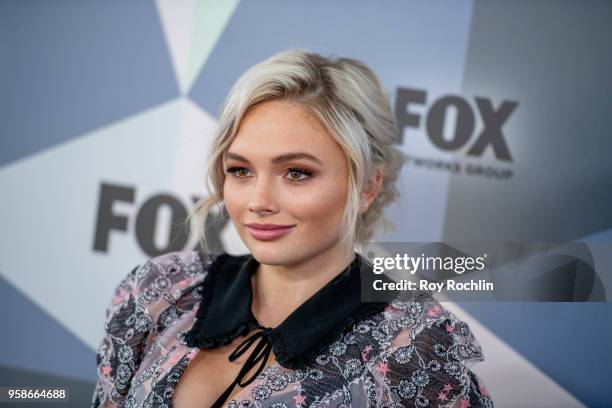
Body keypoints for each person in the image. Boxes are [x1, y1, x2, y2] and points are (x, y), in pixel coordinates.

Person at [91, 49, 493, 408]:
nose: (259, 201)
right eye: (241, 170)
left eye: (297, 173)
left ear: (367, 186)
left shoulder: (412, 347)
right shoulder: (162, 291)